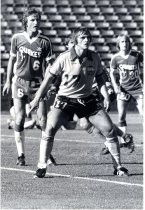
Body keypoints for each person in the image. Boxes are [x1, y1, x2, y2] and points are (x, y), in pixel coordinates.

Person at [29, 27, 130, 178]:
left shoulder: (94, 57)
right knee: (49, 128)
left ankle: (118, 167)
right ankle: (42, 166)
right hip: (65, 101)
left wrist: (106, 96)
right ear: (75, 40)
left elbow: (100, 78)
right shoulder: (63, 58)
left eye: (88, 38)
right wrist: (37, 98)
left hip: (87, 100)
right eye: (83, 38)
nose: (86, 40)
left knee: (109, 129)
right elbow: (48, 79)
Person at [2, 8, 55, 166]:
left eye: (37, 19)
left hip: (38, 84)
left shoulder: (45, 41)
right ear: (25, 22)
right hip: (19, 82)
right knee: (19, 118)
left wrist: (50, 82)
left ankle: (46, 153)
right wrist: (7, 80)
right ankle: (21, 155)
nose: (36, 22)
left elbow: (50, 64)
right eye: (32, 20)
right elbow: (12, 60)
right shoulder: (17, 38)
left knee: (43, 119)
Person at [64, 35, 134, 155]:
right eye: (70, 43)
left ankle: (111, 143)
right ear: (67, 46)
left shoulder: (89, 56)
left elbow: (102, 72)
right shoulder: (66, 59)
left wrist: (109, 88)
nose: (73, 45)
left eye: (73, 42)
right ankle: (122, 137)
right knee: (85, 123)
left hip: (93, 92)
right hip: (79, 95)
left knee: (88, 122)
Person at [110, 34, 143, 143]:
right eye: (122, 42)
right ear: (118, 44)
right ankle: (124, 140)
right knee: (121, 116)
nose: (125, 44)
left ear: (129, 43)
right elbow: (112, 73)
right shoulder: (115, 58)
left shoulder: (137, 55)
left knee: (143, 113)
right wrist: (115, 85)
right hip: (123, 89)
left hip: (138, 89)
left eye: (126, 41)